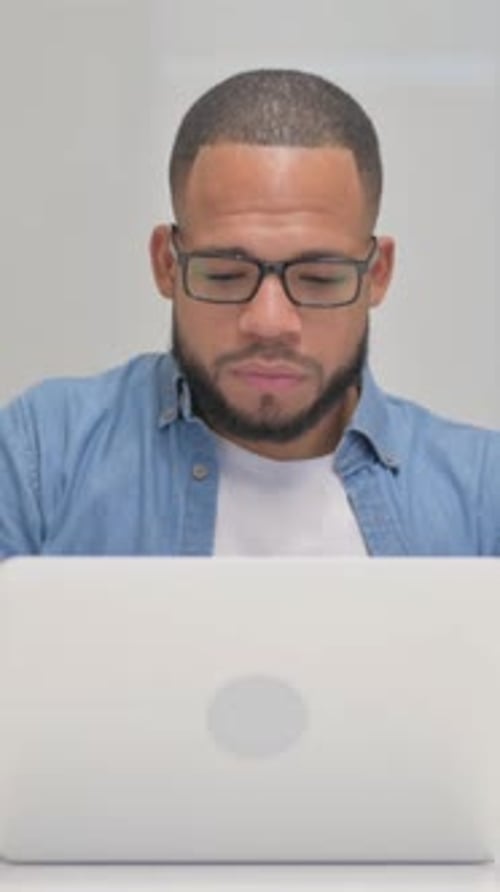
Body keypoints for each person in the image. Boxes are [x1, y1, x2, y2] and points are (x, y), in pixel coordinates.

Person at [1, 68, 499, 557]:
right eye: (224, 275)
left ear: (377, 275)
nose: (269, 322)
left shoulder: (482, 500)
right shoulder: (39, 459)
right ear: (166, 265)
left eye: (319, 278)